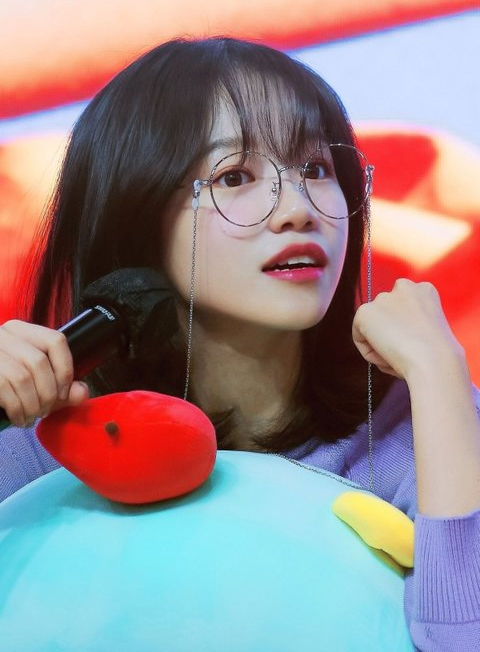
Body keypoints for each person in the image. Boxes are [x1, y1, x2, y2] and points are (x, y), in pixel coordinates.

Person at [0, 38, 479, 649]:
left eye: (315, 169)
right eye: (234, 177)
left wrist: (439, 373)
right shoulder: (50, 438)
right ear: (137, 215)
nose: (297, 210)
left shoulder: (415, 423)